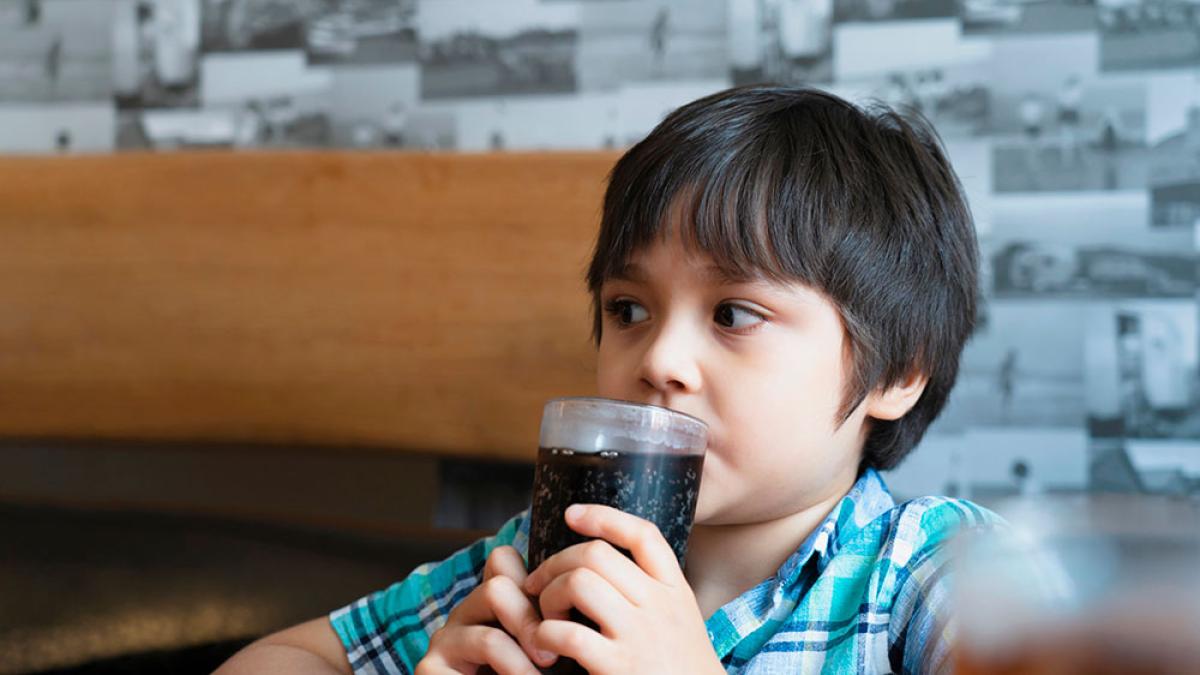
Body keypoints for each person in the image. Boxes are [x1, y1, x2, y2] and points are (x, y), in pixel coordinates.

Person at [215, 85, 1003, 675]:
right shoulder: (551, 551)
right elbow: (291, 655)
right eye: (628, 308)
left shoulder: (931, 570)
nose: (658, 359)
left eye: (733, 313)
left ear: (897, 371)